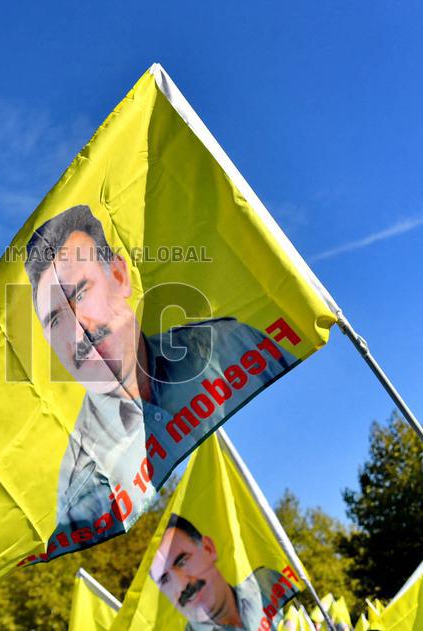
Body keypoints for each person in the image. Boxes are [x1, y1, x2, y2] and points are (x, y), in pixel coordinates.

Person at [23, 205, 295, 553]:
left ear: (119, 276)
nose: (79, 330)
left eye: (81, 293)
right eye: (56, 320)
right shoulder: (80, 487)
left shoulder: (230, 346)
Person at [150, 513, 284, 631]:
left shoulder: (269, 583)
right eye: (164, 579)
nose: (181, 585)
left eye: (182, 562)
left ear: (208, 548)